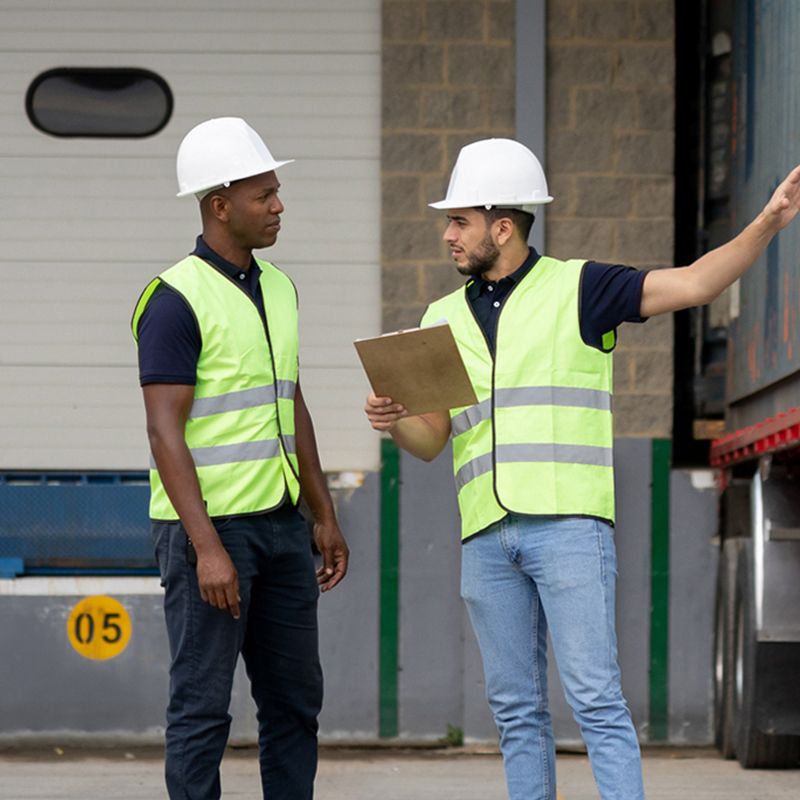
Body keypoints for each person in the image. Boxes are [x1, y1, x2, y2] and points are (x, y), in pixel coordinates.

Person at [364, 138, 800, 800]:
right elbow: (431, 441)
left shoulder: (583, 288)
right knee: (515, 711)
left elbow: (696, 282)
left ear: (502, 226)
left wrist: (767, 222)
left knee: (595, 700)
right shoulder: (439, 318)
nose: (448, 235)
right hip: (485, 537)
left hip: (568, 528)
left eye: (460, 221)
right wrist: (392, 417)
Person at [132, 117, 349, 800]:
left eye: (277, 192)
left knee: (295, 704)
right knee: (202, 709)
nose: (279, 206)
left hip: (282, 528)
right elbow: (165, 432)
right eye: (265, 195)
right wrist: (207, 550)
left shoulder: (279, 288)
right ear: (219, 205)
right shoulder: (173, 300)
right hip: (211, 533)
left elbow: (292, 402)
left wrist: (322, 511)